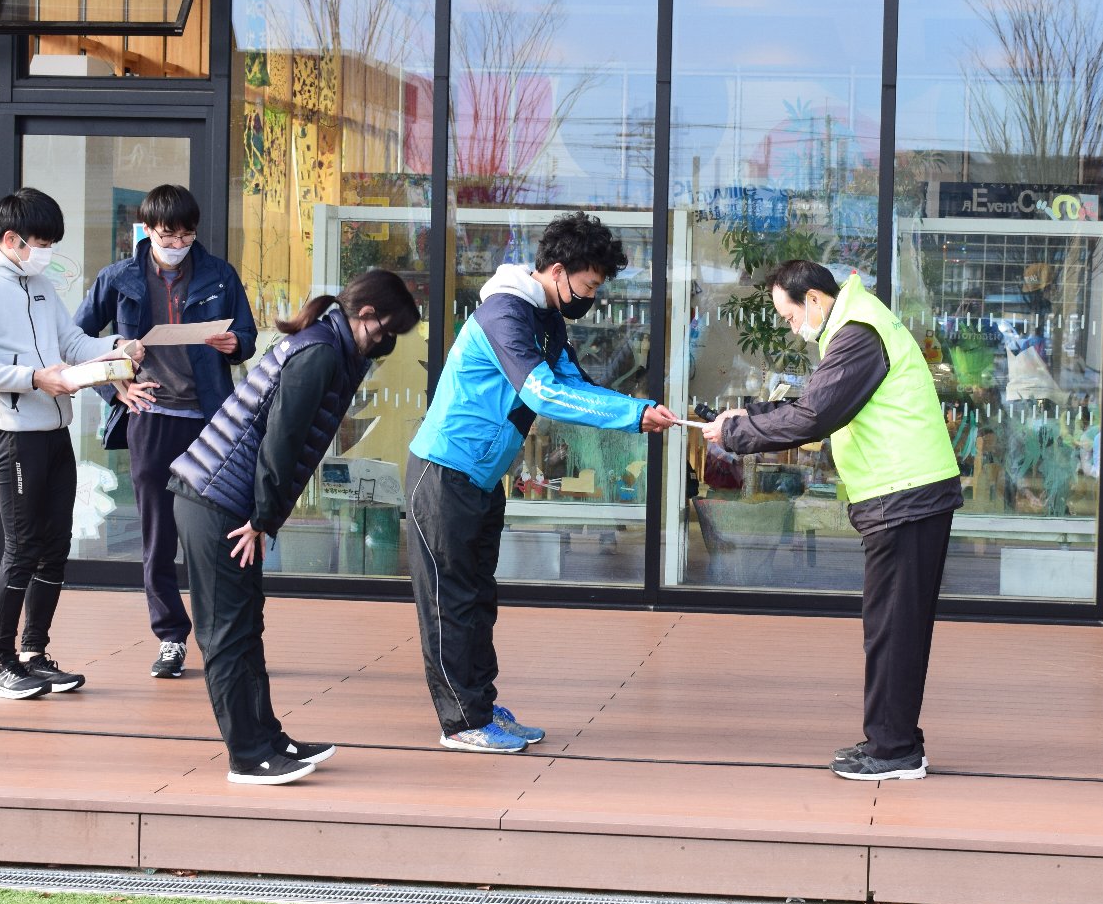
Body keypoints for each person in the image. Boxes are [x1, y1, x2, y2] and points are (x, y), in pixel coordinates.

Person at [407, 210, 677, 753]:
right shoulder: (504, 313)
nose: (591, 297)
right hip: (443, 474)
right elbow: (543, 393)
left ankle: (481, 706)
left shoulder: (546, 319)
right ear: (558, 271)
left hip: (481, 478)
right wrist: (632, 415)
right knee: (449, 603)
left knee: (477, 598)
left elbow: (575, 383)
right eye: (589, 286)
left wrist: (640, 409)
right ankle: (461, 722)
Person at [702, 261, 962, 781]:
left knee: (893, 629)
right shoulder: (858, 323)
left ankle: (893, 751)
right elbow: (816, 402)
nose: (791, 327)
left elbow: (814, 417)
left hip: (904, 497)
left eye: (790, 316)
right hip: (906, 496)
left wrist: (737, 435)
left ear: (815, 300)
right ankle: (895, 740)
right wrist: (746, 416)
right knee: (895, 628)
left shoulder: (857, 332)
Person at [169, 269, 417, 785]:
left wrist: (261, 516)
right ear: (365, 314)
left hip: (226, 500)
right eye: (386, 332)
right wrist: (262, 519)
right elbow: (280, 442)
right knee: (227, 632)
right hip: (217, 501)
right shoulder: (321, 352)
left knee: (246, 625)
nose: (386, 345)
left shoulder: (327, 343)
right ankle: (247, 756)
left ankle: (268, 738)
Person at [0, 188, 154, 701]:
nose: (47, 253)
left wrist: (118, 347)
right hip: (13, 435)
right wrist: (35, 378)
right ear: (10, 239)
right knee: (22, 548)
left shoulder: (39, 285)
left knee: (56, 546)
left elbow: (73, 343)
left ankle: (34, 654)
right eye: (41, 243)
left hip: (56, 430)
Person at [75, 185, 258, 680]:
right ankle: (171, 637)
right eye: (167, 235)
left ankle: (224, 637)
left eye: (186, 235)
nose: (177, 243)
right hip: (151, 417)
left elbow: (247, 336)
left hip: (210, 418)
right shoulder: (118, 278)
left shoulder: (219, 274)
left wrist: (234, 343)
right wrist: (116, 390)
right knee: (158, 534)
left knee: (216, 531)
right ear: (147, 230)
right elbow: (75, 340)